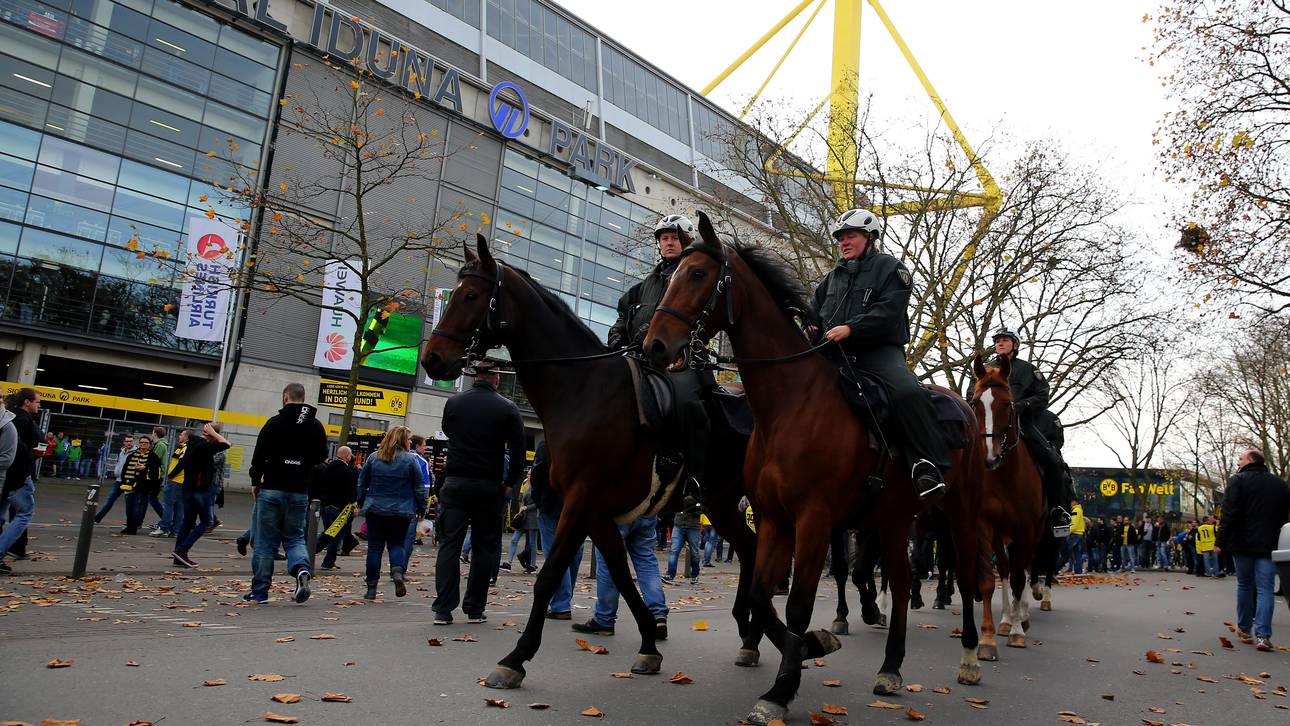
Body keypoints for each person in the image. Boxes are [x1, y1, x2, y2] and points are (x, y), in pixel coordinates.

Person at [810, 208, 947, 498]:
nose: (843, 243)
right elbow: (814, 313)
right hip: (835, 354)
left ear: (870, 238)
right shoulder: (832, 277)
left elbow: (889, 311)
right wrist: (808, 327)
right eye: (840, 239)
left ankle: (927, 464)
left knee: (907, 392)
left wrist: (852, 328)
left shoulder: (891, 269)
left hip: (879, 352)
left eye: (851, 236)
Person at [608, 214, 713, 498]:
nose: (668, 242)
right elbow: (623, 314)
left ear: (686, 241)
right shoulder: (646, 284)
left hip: (680, 360)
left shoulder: (694, 276)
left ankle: (694, 478)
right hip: (640, 359)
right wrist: (617, 337)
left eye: (674, 237)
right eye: (664, 238)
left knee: (690, 404)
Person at [432, 360, 525, 625]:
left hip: (456, 481)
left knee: (450, 544)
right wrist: (509, 482)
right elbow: (518, 452)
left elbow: (450, 431)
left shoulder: (455, 403)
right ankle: (474, 607)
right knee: (485, 547)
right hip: (488, 485)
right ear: (497, 379)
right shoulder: (507, 408)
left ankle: (443, 608)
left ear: (474, 377)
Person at [245, 382, 327, 604]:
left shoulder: (274, 423)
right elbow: (321, 460)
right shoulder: (316, 426)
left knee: (265, 542)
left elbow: (259, 456)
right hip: (299, 491)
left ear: (285, 397)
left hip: (272, 487)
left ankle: (260, 591)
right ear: (303, 397)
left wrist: (256, 481)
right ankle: (301, 569)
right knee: (294, 538)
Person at [986, 328, 1075, 533]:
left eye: (1005, 340)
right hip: (990, 426)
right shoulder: (986, 368)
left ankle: (1058, 509)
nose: (1000, 343)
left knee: (1052, 460)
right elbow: (972, 392)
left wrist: (1022, 406)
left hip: (1022, 424)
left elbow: (1043, 396)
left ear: (1015, 345)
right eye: (998, 341)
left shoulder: (1028, 370)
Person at [1217, 448, 1289, 652]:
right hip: (1269, 543)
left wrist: (1220, 541)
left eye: (1240, 458)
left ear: (1250, 460)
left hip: (1242, 543)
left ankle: (1244, 629)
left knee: (1245, 585)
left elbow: (1229, 512)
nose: (1238, 461)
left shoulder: (1238, 480)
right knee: (1266, 588)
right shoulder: (1280, 484)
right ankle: (1264, 636)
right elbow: (1285, 516)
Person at [572, 514, 670, 639]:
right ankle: (657, 615)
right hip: (645, 511)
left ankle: (604, 618)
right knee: (646, 560)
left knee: (609, 561)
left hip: (616, 512)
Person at [357, 426, 426, 600]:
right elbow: (419, 487)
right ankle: (396, 571)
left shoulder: (374, 457)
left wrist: (360, 501)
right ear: (403, 440)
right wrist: (422, 507)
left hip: (375, 509)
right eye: (408, 439)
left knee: (374, 548)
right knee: (397, 544)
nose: (410, 442)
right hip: (401, 510)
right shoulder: (411, 460)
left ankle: (371, 588)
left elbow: (362, 482)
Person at [529, 440, 583, 620]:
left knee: (556, 553)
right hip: (578, 506)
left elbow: (537, 475)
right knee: (574, 553)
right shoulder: (586, 440)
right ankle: (564, 598)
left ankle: (561, 604)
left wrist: (539, 500)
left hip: (552, 505)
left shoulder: (549, 444)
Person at [170, 423, 231, 568]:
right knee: (206, 521)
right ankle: (182, 550)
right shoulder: (205, 447)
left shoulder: (193, 443)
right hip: (200, 489)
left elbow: (184, 461)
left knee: (188, 521)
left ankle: (178, 557)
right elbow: (227, 444)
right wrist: (214, 433)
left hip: (188, 488)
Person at [0, 389, 39, 574]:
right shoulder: (16, 422)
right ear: (27, 402)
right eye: (37, 402)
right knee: (24, 512)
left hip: (8, 477)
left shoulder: (9, 418)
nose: (39, 405)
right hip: (16, 477)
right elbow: (13, 454)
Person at [316, 446, 358, 571]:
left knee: (328, 531)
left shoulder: (326, 468)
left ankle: (313, 549)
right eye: (350, 455)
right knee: (336, 535)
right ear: (346, 456)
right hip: (339, 508)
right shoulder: (347, 471)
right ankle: (327, 560)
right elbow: (351, 491)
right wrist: (354, 505)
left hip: (325, 505)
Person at [119, 437, 162, 535]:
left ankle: (133, 528)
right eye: (141, 442)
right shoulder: (132, 455)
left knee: (137, 508)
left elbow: (156, 471)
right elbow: (125, 469)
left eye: (145, 443)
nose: (143, 444)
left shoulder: (153, 456)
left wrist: (145, 467)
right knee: (129, 507)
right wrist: (124, 482)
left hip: (143, 487)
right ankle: (129, 526)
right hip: (130, 485)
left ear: (149, 444)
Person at [151, 430, 187, 538]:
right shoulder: (182, 447)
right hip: (181, 482)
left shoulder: (184, 448)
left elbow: (181, 463)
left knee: (168, 505)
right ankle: (175, 530)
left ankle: (164, 528)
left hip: (176, 481)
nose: (179, 436)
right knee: (179, 507)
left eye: (181, 434)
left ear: (186, 437)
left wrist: (171, 475)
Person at [94, 435, 136, 524]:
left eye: (131, 441)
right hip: (118, 480)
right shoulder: (122, 452)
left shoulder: (136, 452)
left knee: (129, 504)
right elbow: (119, 463)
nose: (129, 443)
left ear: (133, 442)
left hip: (129, 481)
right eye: (127, 441)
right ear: (124, 442)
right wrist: (116, 471)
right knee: (110, 499)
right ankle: (97, 518)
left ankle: (131, 523)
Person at [664, 496, 703, 585]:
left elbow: (701, 509)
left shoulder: (697, 494)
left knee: (694, 552)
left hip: (692, 526)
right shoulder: (680, 492)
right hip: (679, 525)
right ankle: (670, 574)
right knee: (674, 550)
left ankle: (695, 575)